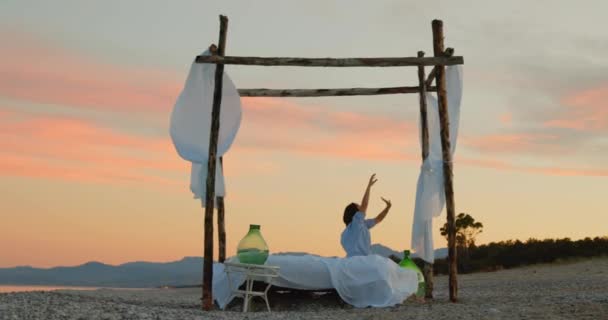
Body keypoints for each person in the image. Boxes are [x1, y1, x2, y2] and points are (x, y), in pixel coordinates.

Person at [340, 174, 392, 257]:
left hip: (355, 260)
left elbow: (378, 219)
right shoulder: (356, 224)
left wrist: (387, 208)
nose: (361, 207)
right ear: (355, 213)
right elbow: (365, 205)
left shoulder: (360, 226)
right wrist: (369, 187)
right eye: (359, 206)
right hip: (360, 260)